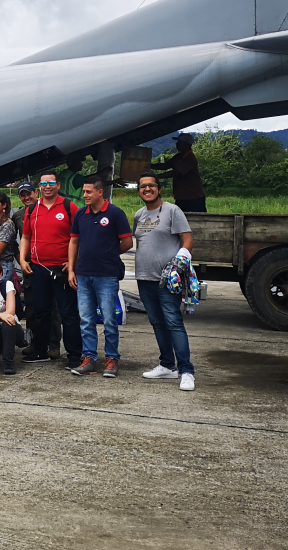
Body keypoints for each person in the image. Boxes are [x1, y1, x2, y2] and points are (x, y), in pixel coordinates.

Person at [134, 173, 196, 392]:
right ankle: (167, 365)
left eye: (151, 186)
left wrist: (179, 263)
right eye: (143, 186)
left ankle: (186, 370)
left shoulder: (172, 211)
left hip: (167, 280)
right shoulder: (139, 214)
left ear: (159, 189)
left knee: (173, 322)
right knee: (157, 322)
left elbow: (187, 240)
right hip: (144, 278)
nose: (147, 189)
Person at [68, 176, 132, 378]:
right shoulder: (80, 214)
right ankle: (88, 359)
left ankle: (112, 359)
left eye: (88, 192)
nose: (85, 195)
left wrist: (109, 254)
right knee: (86, 319)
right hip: (84, 274)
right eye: (84, 192)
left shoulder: (115, 213)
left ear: (100, 192)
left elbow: (127, 242)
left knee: (109, 319)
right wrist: (71, 269)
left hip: (107, 275)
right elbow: (74, 243)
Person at [18, 172, 80, 367]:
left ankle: (74, 355)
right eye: (44, 183)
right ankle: (40, 350)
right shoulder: (31, 210)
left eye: (51, 183)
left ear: (58, 185)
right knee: (41, 312)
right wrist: (22, 259)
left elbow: (78, 238)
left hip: (62, 269)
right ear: (39, 187)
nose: (47, 186)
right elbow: (26, 238)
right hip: (38, 268)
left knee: (67, 313)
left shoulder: (69, 207)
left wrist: (73, 264)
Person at [153, 133, 206, 212]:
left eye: (179, 142)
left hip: (194, 197)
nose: (177, 144)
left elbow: (175, 173)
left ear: (186, 144)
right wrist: (148, 165)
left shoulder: (190, 159)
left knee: (197, 220)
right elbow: (165, 166)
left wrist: (155, 177)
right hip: (182, 197)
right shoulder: (179, 156)